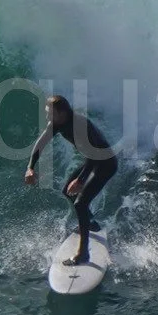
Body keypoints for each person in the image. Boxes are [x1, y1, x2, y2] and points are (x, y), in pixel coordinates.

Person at [24, 95, 115, 266]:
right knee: (68, 191)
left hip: (105, 164)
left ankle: (83, 255)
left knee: (80, 203)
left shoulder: (80, 125)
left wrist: (80, 180)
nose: (46, 117)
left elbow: (94, 154)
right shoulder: (57, 123)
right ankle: (92, 223)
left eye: (49, 113)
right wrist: (30, 167)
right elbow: (41, 143)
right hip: (92, 161)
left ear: (61, 113)